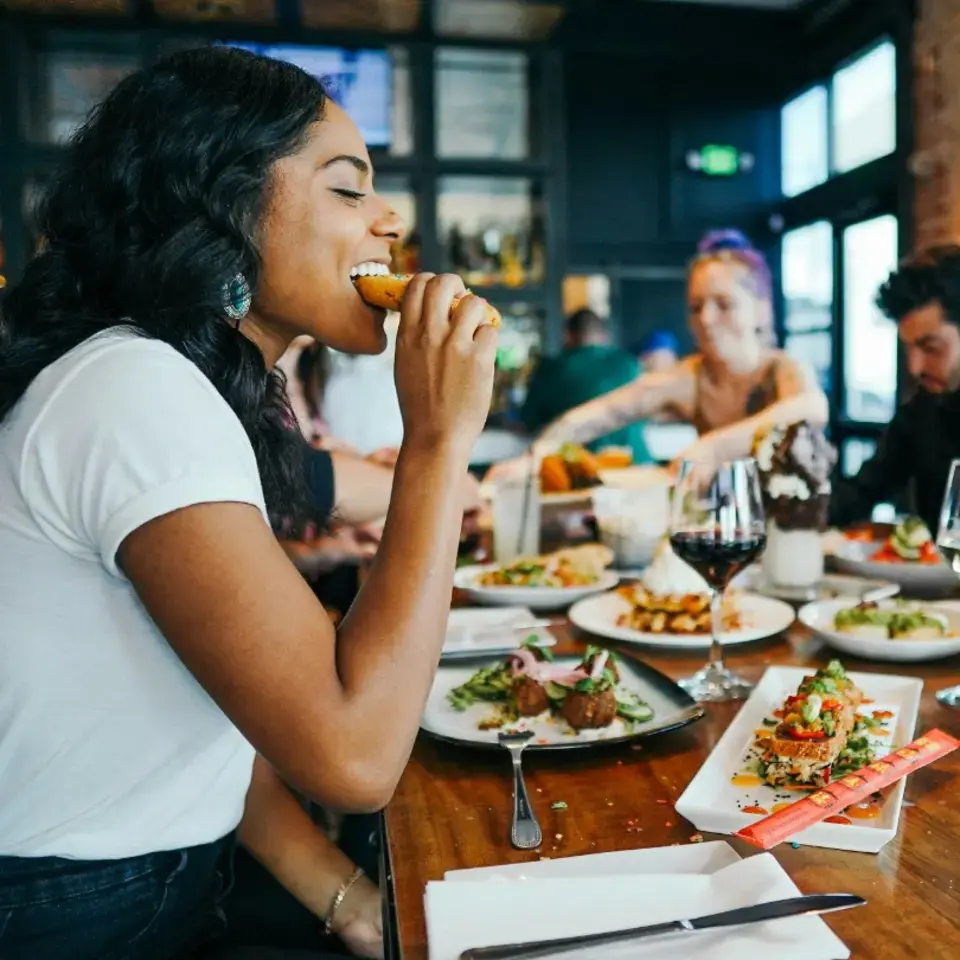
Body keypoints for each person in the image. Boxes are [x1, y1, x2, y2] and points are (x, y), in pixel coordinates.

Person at [0, 46, 497, 960]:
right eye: (349, 191)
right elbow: (354, 758)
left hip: (155, 878)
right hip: (74, 915)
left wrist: (348, 898)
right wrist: (438, 441)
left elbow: (211, 725)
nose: (391, 222)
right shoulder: (133, 389)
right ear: (220, 204)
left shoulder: (189, 387)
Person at [490, 230, 826, 477]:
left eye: (724, 304)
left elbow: (810, 407)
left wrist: (713, 447)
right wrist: (535, 456)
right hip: (727, 533)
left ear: (762, 311)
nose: (705, 319)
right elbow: (602, 414)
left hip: (795, 538)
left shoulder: (782, 368)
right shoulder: (690, 377)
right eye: (696, 306)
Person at [830, 245, 960, 533]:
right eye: (909, 348)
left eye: (930, 347)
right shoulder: (922, 410)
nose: (914, 367)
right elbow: (858, 493)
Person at [520, 308, 653, 463]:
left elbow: (527, 422)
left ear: (568, 335)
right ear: (604, 335)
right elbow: (646, 415)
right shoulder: (630, 363)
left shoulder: (552, 368)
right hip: (638, 464)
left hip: (581, 468)